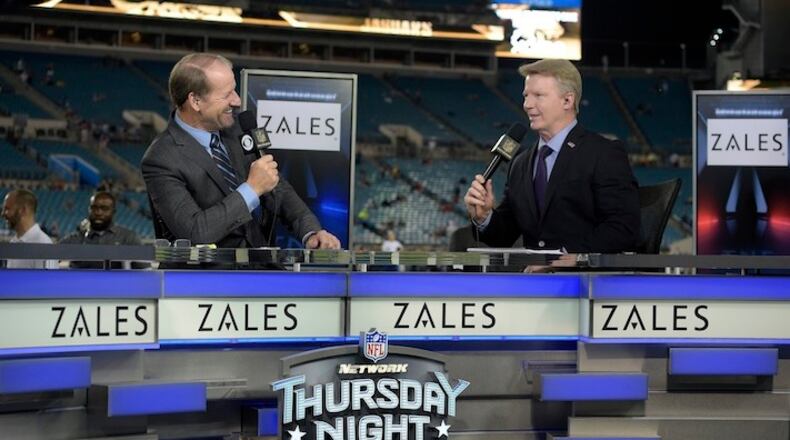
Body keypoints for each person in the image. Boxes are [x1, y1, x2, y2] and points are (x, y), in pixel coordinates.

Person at [141, 53, 340, 250]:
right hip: (208, 277)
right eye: (227, 94)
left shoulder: (238, 127)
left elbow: (276, 186)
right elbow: (196, 231)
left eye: (234, 90)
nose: (237, 101)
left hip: (261, 269)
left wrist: (311, 232)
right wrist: (252, 189)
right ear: (195, 101)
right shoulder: (160, 159)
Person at [464, 59, 640, 255]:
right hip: (534, 283)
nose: (527, 105)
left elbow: (624, 227)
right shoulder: (520, 163)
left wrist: (564, 258)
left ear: (567, 100)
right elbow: (505, 234)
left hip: (584, 281)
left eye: (538, 95)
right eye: (526, 96)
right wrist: (484, 216)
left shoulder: (603, 153)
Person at [59, 191, 145, 269]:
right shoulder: (74, 239)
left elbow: (144, 273)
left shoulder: (128, 238)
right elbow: (48, 260)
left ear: (113, 211)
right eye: (94, 208)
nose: (98, 212)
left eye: (104, 208)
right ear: (89, 209)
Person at [1, 189, 58, 269]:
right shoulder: (14, 241)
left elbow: (48, 281)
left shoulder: (43, 244)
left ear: (23, 210)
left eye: (7, 209)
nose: (3, 213)